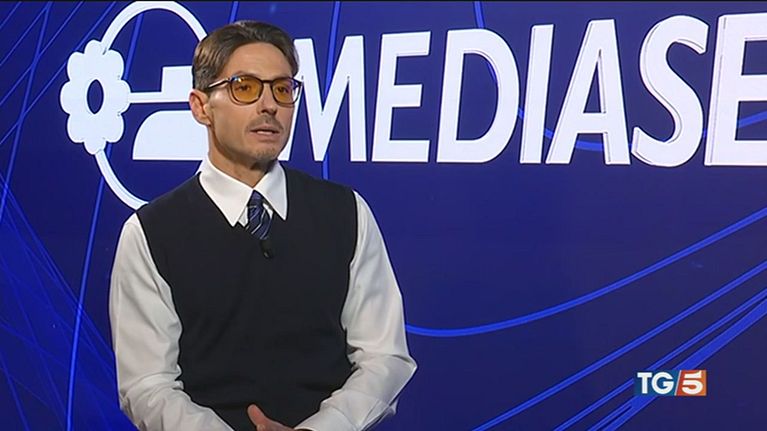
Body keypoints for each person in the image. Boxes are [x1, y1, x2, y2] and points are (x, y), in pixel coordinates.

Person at [109, 20, 416, 431]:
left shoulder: (346, 212)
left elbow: (384, 357)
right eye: (245, 87)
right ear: (201, 106)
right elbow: (148, 385)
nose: (269, 105)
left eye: (282, 89)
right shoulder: (151, 233)